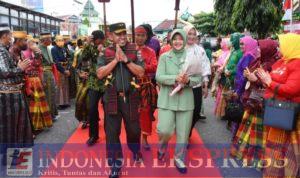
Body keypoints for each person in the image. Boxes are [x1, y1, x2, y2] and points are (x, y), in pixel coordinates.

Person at [97, 22, 145, 178]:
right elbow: (99, 74)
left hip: (131, 97)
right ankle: (115, 164)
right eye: (118, 34)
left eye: (124, 33)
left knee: (134, 130)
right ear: (111, 36)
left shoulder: (134, 50)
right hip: (111, 97)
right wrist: (115, 60)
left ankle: (135, 149)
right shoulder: (104, 53)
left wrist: (126, 60)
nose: (123, 37)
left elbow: (141, 73)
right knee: (111, 133)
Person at [156, 29, 201, 174]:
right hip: (167, 99)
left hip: (186, 101)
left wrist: (188, 80)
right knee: (165, 130)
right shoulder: (164, 57)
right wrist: (175, 78)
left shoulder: (192, 57)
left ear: (184, 39)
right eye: (174, 39)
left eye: (180, 38)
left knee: (183, 134)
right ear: (170, 41)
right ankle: (162, 147)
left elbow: (198, 79)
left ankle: (179, 158)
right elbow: (159, 77)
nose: (177, 42)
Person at [256, 34, 300, 178]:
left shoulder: (297, 64)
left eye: (281, 44)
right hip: (276, 109)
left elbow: (291, 89)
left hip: (287, 112)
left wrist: (269, 82)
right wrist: (263, 79)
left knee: (284, 150)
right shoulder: (282, 61)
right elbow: (272, 79)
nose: (279, 47)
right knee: (273, 147)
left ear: (291, 46)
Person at [230, 39, 279, 168]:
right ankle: (245, 153)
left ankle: (257, 158)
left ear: (267, 50)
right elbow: (251, 72)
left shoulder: (275, 63)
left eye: (260, 48)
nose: (257, 50)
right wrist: (249, 75)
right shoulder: (259, 60)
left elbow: (270, 82)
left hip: (262, 102)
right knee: (249, 128)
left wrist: (254, 79)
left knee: (260, 132)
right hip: (253, 99)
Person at [0, 24, 33, 164]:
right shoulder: (1, 51)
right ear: (4, 36)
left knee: (16, 126)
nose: (11, 38)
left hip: (13, 94)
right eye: (10, 36)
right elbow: (4, 72)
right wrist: (19, 68)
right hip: (8, 96)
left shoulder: (5, 50)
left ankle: (13, 156)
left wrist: (19, 67)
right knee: (10, 128)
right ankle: (9, 158)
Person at [183, 25, 211, 139]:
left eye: (194, 34)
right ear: (184, 34)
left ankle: (187, 133)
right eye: (189, 33)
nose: (192, 36)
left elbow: (205, 66)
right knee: (183, 113)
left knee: (196, 112)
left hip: (196, 85)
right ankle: (183, 134)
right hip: (182, 86)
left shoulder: (200, 50)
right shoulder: (179, 48)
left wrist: (205, 84)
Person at [22, 36, 53, 133]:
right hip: (29, 80)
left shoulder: (35, 52)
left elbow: (39, 65)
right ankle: (35, 125)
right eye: (31, 43)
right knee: (34, 103)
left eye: (34, 43)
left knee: (40, 102)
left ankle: (41, 124)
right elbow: (29, 67)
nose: (34, 45)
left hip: (37, 79)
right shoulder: (23, 53)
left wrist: (37, 55)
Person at [135, 25, 158, 150]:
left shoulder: (151, 52)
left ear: (146, 37)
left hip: (145, 86)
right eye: (137, 35)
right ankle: (134, 138)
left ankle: (144, 139)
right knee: (132, 114)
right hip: (131, 86)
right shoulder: (129, 50)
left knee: (145, 113)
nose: (139, 38)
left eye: (142, 35)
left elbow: (154, 67)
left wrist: (142, 64)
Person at [231, 36, 259, 137]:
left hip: (242, 88)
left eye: (243, 44)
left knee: (240, 112)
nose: (241, 46)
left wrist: (238, 91)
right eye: (241, 44)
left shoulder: (248, 57)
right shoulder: (246, 55)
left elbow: (244, 76)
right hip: (240, 86)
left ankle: (237, 137)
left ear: (249, 45)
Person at [84, 30, 106, 145]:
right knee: (92, 108)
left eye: (96, 40)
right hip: (94, 82)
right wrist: (87, 44)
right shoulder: (91, 47)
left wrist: (101, 51)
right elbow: (83, 58)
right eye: (93, 40)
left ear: (102, 39)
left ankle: (110, 132)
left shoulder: (108, 47)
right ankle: (93, 135)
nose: (96, 42)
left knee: (109, 109)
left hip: (107, 81)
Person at [38, 32, 59, 121]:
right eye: (50, 39)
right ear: (45, 40)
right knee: (48, 95)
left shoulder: (47, 48)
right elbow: (38, 65)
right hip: (45, 74)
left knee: (52, 94)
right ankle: (48, 116)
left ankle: (52, 114)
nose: (51, 40)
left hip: (50, 73)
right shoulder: (38, 49)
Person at [51, 35, 71, 108]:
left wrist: (68, 69)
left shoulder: (64, 48)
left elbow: (68, 58)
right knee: (60, 86)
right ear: (55, 41)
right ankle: (60, 103)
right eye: (59, 40)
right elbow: (55, 61)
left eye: (62, 40)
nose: (60, 42)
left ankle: (65, 102)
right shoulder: (54, 49)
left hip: (65, 68)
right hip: (59, 69)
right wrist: (63, 70)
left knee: (65, 86)